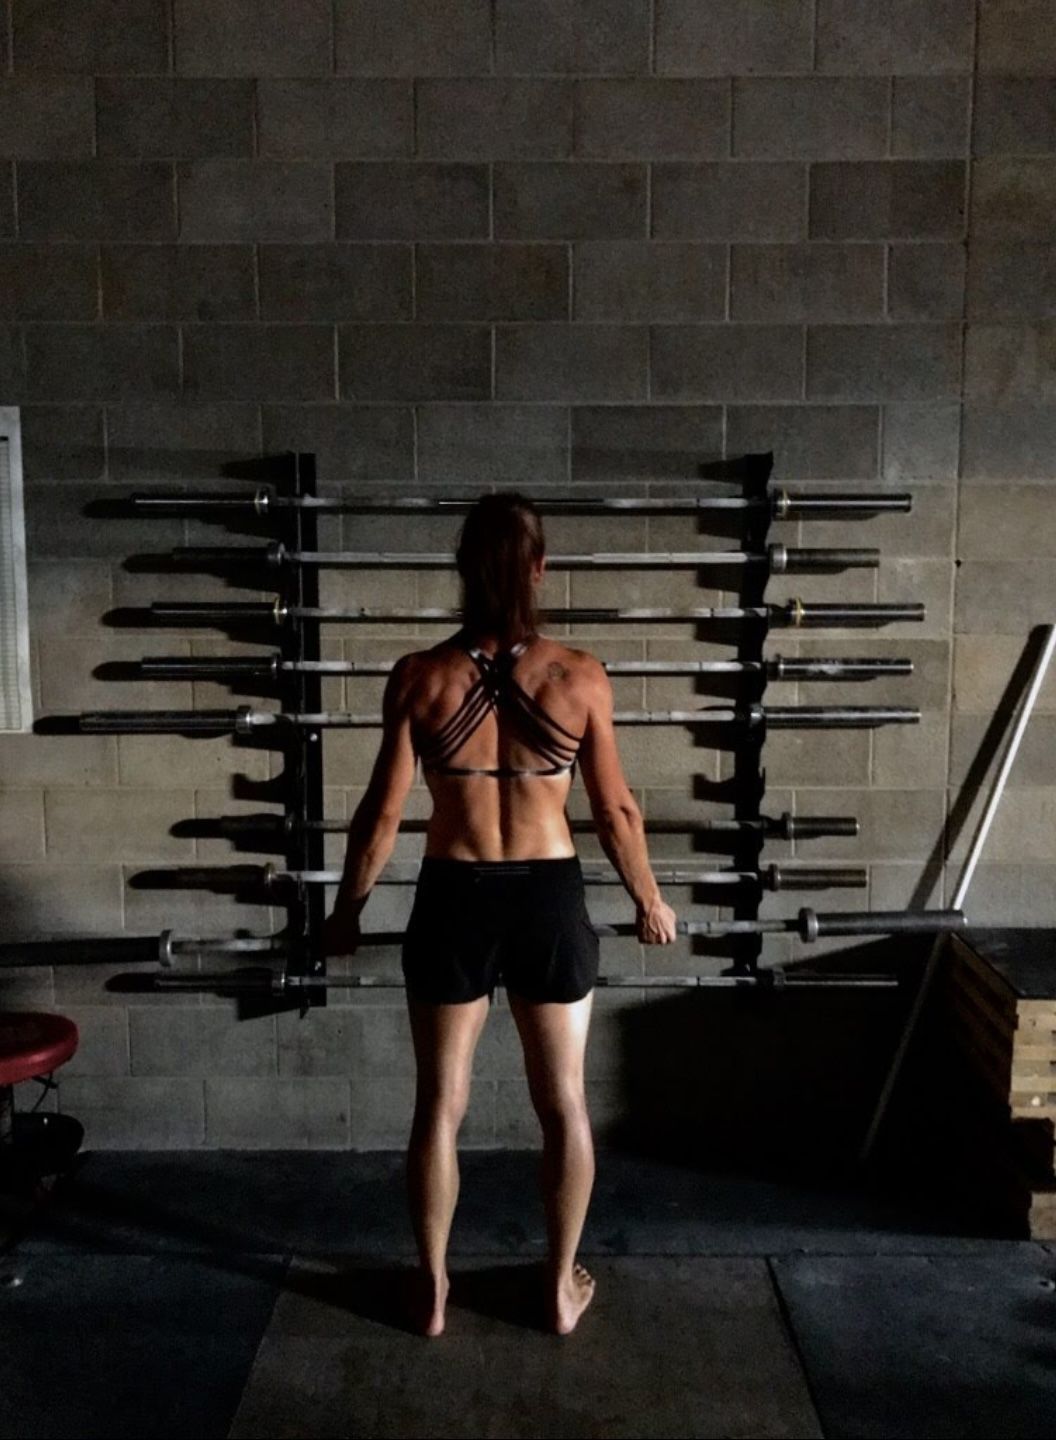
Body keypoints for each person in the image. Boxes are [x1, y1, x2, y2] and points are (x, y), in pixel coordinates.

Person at [322, 491, 678, 1337]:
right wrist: (648, 900)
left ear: (463, 571)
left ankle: (435, 1290)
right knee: (563, 1103)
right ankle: (558, 1289)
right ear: (539, 569)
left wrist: (347, 911)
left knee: (438, 1105)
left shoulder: (418, 677)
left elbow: (379, 815)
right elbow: (616, 812)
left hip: (455, 893)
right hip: (547, 896)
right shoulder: (580, 677)